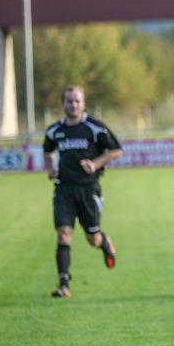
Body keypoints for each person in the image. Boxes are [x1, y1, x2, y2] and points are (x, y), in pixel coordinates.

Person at [43, 86, 122, 297]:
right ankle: (64, 284)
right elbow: (47, 152)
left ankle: (105, 243)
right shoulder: (55, 130)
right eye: (69, 101)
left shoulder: (94, 128)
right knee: (64, 234)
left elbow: (116, 150)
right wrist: (50, 169)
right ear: (63, 104)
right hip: (64, 190)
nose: (74, 105)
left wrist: (95, 164)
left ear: (83, 103)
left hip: (88, 190)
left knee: (92, 238)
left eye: (77, 101)